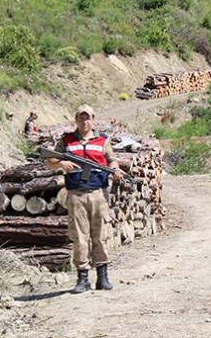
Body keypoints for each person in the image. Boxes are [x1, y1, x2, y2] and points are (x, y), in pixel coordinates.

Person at [45, 104, 123, 294]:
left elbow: (111, 160)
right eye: (81, 118)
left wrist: (116, 169)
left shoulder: (102, 140)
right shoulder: (66, 141)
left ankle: (102, 277)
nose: (84, 121)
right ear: (76, 120)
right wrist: (62, 163)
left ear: (93, 119)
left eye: (87, 118)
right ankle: (83, 278)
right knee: (79, 236)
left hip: (99, 193)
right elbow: (50, 161)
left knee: (101, 235)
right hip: (76, 193)